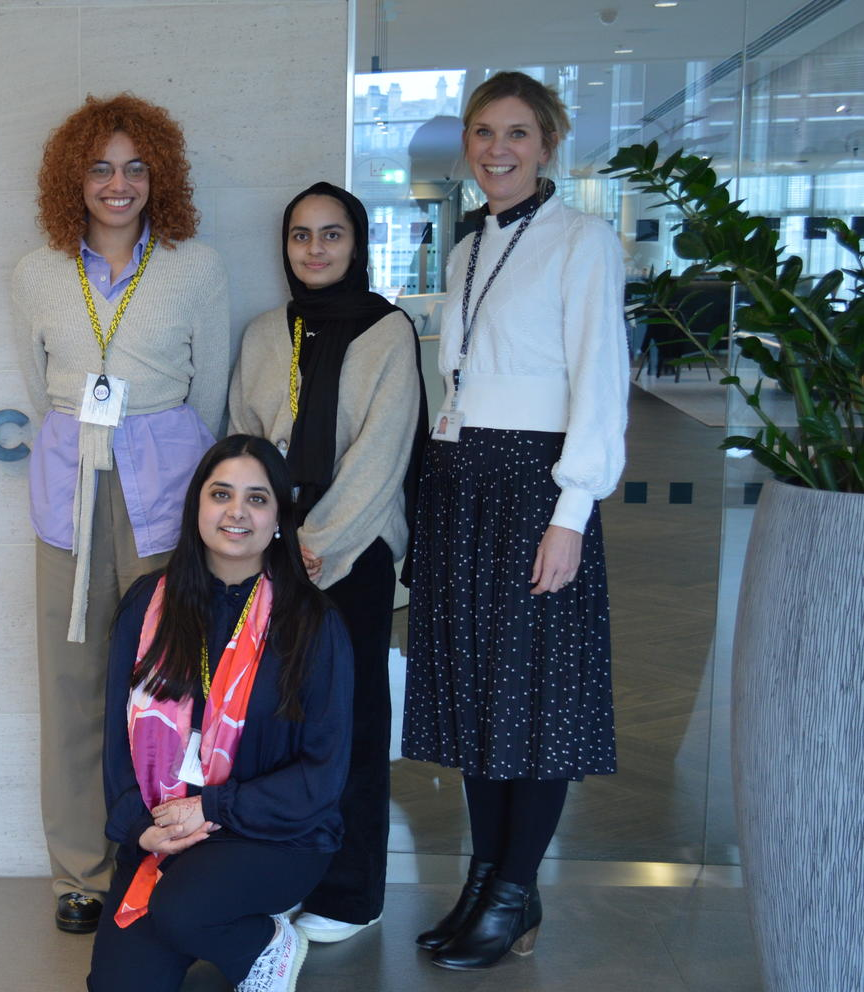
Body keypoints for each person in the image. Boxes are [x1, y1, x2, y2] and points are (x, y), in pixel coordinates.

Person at [401, 70, 628, 971]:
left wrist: (572, 511)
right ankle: (490, 880)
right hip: (462, 482)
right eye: (484, 131)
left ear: (548, 144)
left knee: (534, 700)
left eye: (518, 133)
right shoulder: (466, 249)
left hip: (535, 486)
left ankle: (509, 890)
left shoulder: (584, 240)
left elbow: (600, 385)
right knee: (475, 697)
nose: (498, 148)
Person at [13, 93, 230, 934]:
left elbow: (206, 391)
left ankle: (163, 853)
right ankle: (79, 871)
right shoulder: (37, 271)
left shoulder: (195, 267)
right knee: (69, 687)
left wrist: (163, 449)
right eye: (101, 166)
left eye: (136, 166)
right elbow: (40, 391)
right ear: (75, 177)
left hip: (168, 494)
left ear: (160, 176)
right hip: (70, 490)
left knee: (167, 686)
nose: (118, 183)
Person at [227, 181, 427, 944]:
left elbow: (383, 451)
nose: (315, 249)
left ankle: (351, 892)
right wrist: (267, 538)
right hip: (272, 552)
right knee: (273, 719)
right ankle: (282, 874)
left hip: (355, 552)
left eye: (332, 235)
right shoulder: (262, 332)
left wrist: (318, 543)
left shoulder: (386, 330)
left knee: (353, 718)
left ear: (357, 243)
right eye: (301, 235)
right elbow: (245, 439)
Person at [88, 434, 352, 992]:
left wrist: (212, 805)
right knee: (121, 985)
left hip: (272, 834)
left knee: (185, 910)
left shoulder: (312, 623)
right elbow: (115, 738)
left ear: (279, 517)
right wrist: (141, 829)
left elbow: (322, 774)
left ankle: (265, 944)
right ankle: (209, 916)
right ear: (197, 508)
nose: (237, 511)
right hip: (167, 829)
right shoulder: (147, 604)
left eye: (257, 499)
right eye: (221, 493)